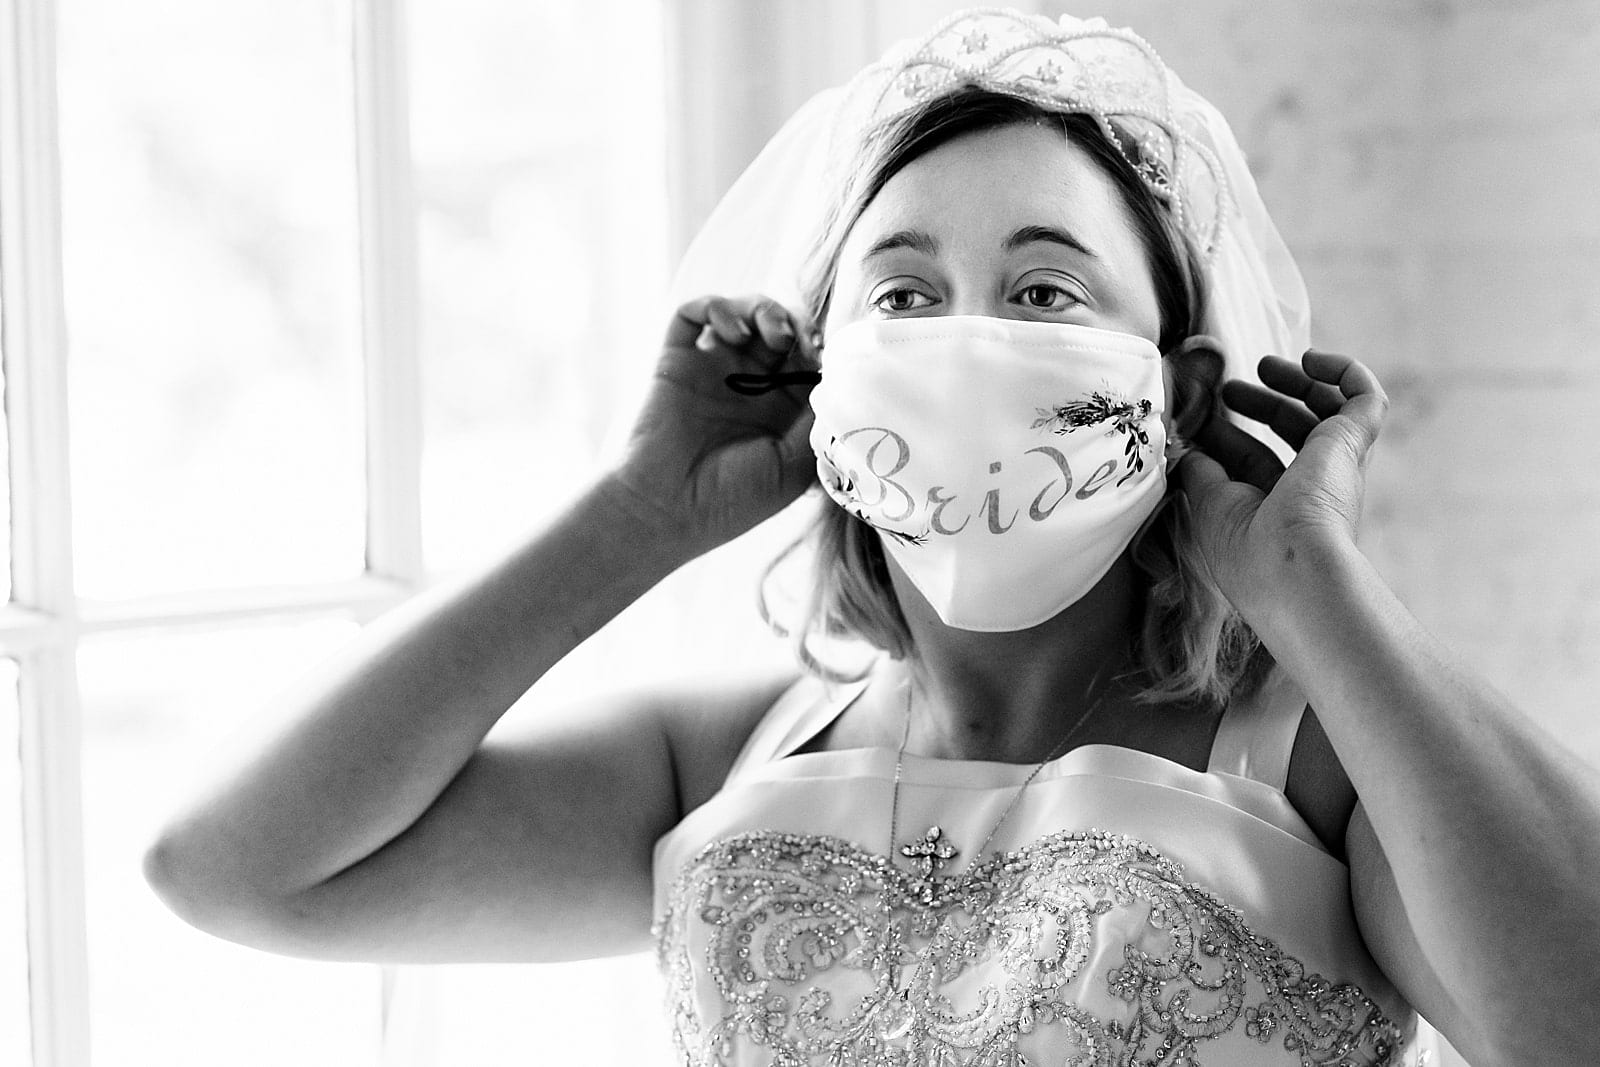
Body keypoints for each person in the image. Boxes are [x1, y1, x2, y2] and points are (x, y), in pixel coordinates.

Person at [144, 10, 1599, 1066]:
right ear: (826, 373)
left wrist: (1318, 596)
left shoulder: (1320, 762)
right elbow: (232, 868)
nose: (967, 337)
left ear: (1177, 386)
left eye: (1044, 291)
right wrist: (636, 521)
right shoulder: (721, 759)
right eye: (903, 295)